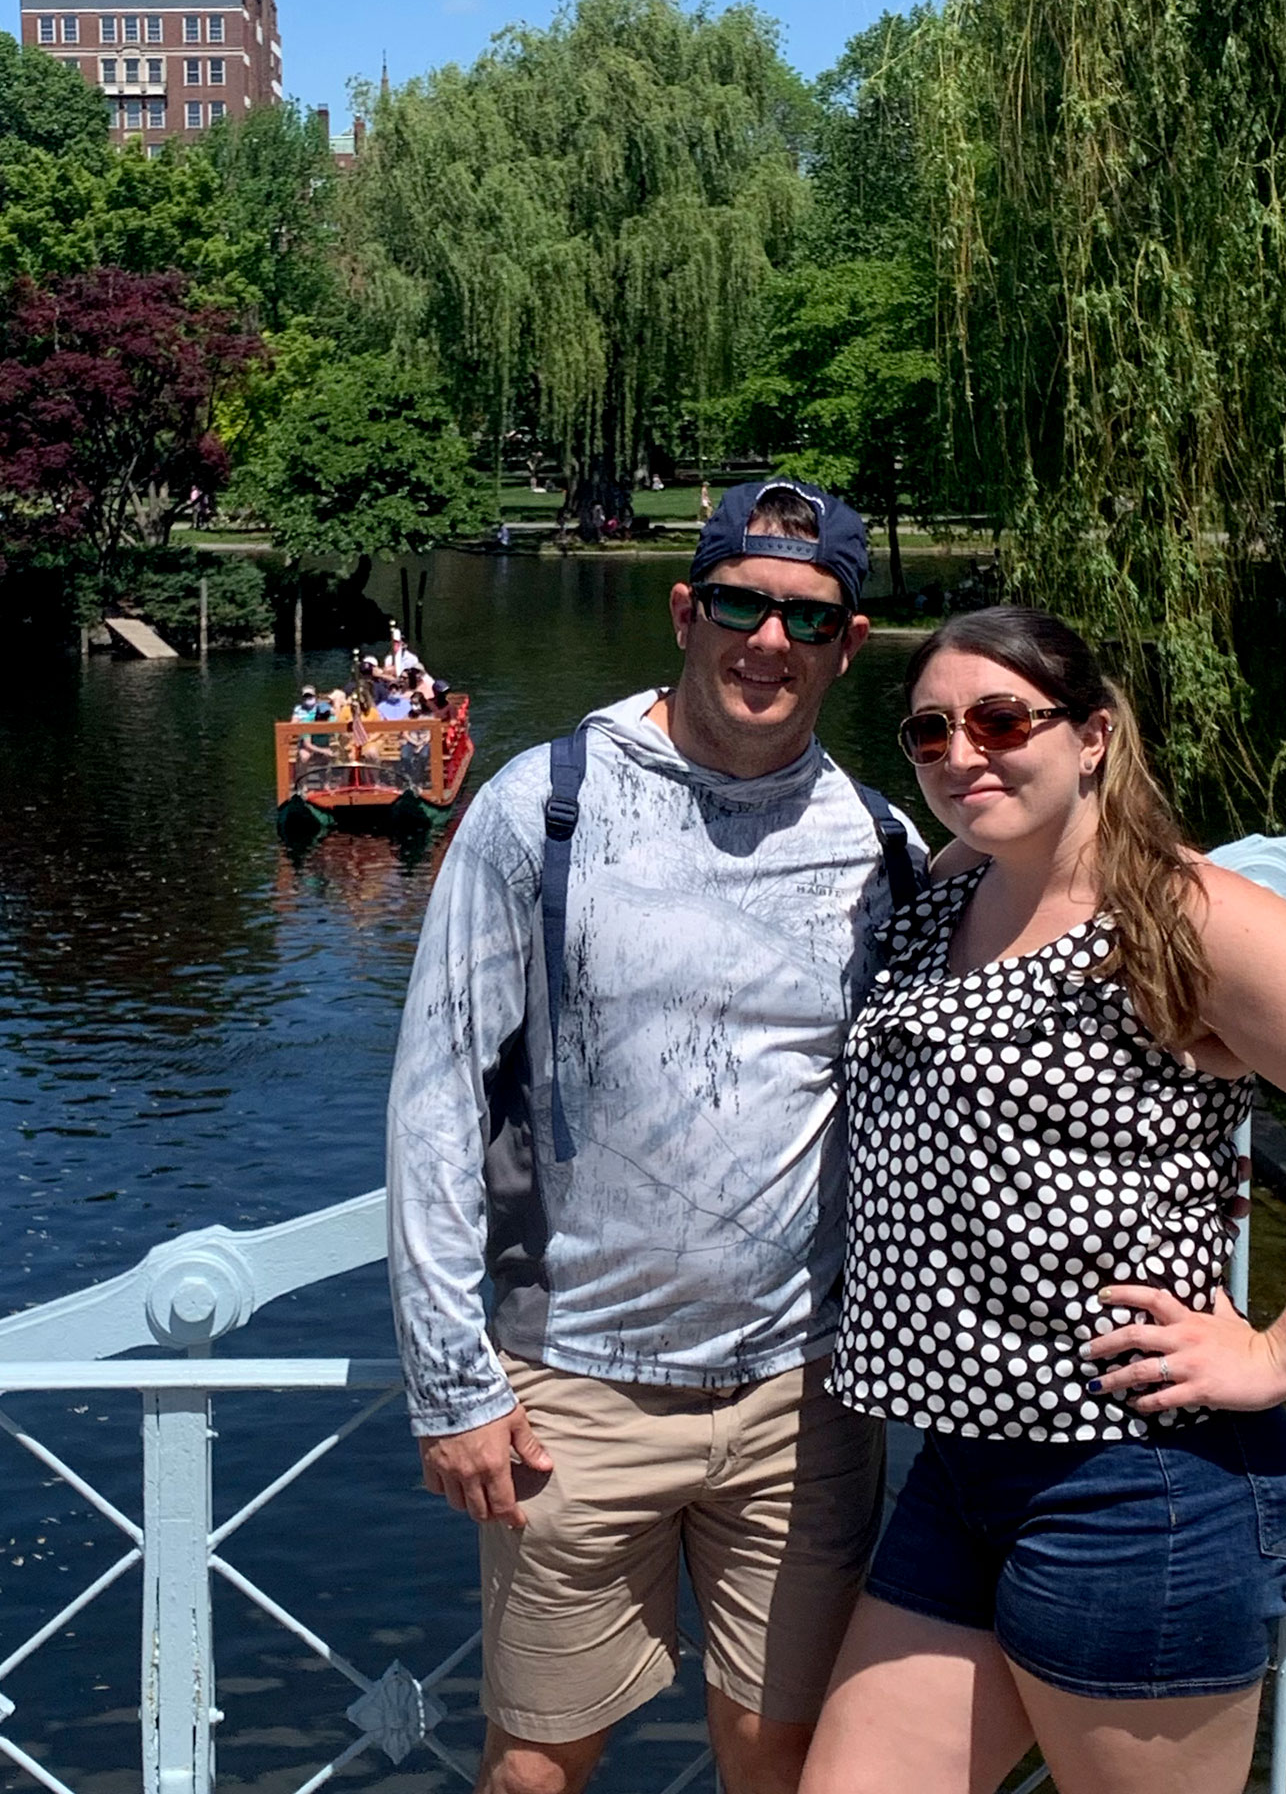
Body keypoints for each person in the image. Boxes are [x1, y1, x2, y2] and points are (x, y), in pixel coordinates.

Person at [802, 606, 1286, 1794]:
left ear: (1093, 737)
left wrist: (1282, 1355)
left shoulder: (1185, 921)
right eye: (929, 733)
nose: (962, 753)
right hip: (962, 1473)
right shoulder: (949, 898)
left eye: (999, 719)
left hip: (1140, 1485)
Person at [389, 481, 926, 1794]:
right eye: (741, 603)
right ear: (688, 611)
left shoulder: (884, 846)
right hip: (572, 1388)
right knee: (537, 1765)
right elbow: (437, 1099)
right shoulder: (544, 807)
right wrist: (449, 1382)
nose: (770, 641)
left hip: (800, 1396)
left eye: (810, 618)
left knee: (784, 1758)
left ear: (847, 646)